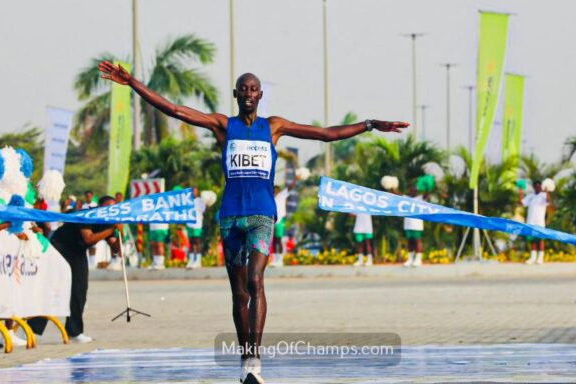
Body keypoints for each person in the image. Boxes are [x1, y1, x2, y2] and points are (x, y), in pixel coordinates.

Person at [99, 61, 407, 383]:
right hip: (230, 217)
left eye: (253, 89)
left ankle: (254, 363)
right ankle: (244, 358)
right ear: (236, 94)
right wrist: (132, 82)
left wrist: (370, 124)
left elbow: (326, 135)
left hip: (262, 214)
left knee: (256, 281)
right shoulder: (222, 125)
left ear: (260, 95)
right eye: (243, 89)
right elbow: (175, 110)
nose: (248, 93)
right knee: (238, 293)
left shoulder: (273, 127)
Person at [28, 196, 121, 343]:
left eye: (113, 208)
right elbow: (88, 239)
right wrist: (111, 230)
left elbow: (116, 249)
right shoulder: (86, 215)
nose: (110, 210)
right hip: (60, 247)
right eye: (107, 207)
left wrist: (118, 234)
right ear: (99, 207)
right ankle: (33, 329)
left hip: (78, 252)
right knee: (53, 289)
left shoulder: (109, 223)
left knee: (79, 290)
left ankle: (74, 331)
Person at [270, 175, 299, 267]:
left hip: (280, 220)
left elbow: (290, 187)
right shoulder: (270, 198)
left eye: (276, 190)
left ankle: (280, 260)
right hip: (272, 221)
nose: (275, 192)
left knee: (278, 240)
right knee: (274, 241)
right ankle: (274, 260)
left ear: (279, 191)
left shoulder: (282, 195)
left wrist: (296, 179)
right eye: (274, 190)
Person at [518, 180, 550, 264]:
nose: (538, 188)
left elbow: (548, 201)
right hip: (531, 221)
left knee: (540, 240)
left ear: (541, 187)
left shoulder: (543, 195)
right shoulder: (530, 196)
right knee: (532, 240)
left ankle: (540, 257)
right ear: (534, 187)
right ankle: (533, 257)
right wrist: (520, 193)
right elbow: (522, 203)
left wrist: (547, 191)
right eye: (536, 186)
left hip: (540, 222)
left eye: (539, 186)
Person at [186, 188, 206, 269]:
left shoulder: (200, 200)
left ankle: (198, 261)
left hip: (197, 224)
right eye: (192, 191)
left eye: (194, 191)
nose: (193, 193)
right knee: (190, 243)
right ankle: (191, 260)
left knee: (196, 242)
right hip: (189, 224)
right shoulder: (187, 201)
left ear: (197, 192)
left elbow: (204, 210)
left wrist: (207, 204)